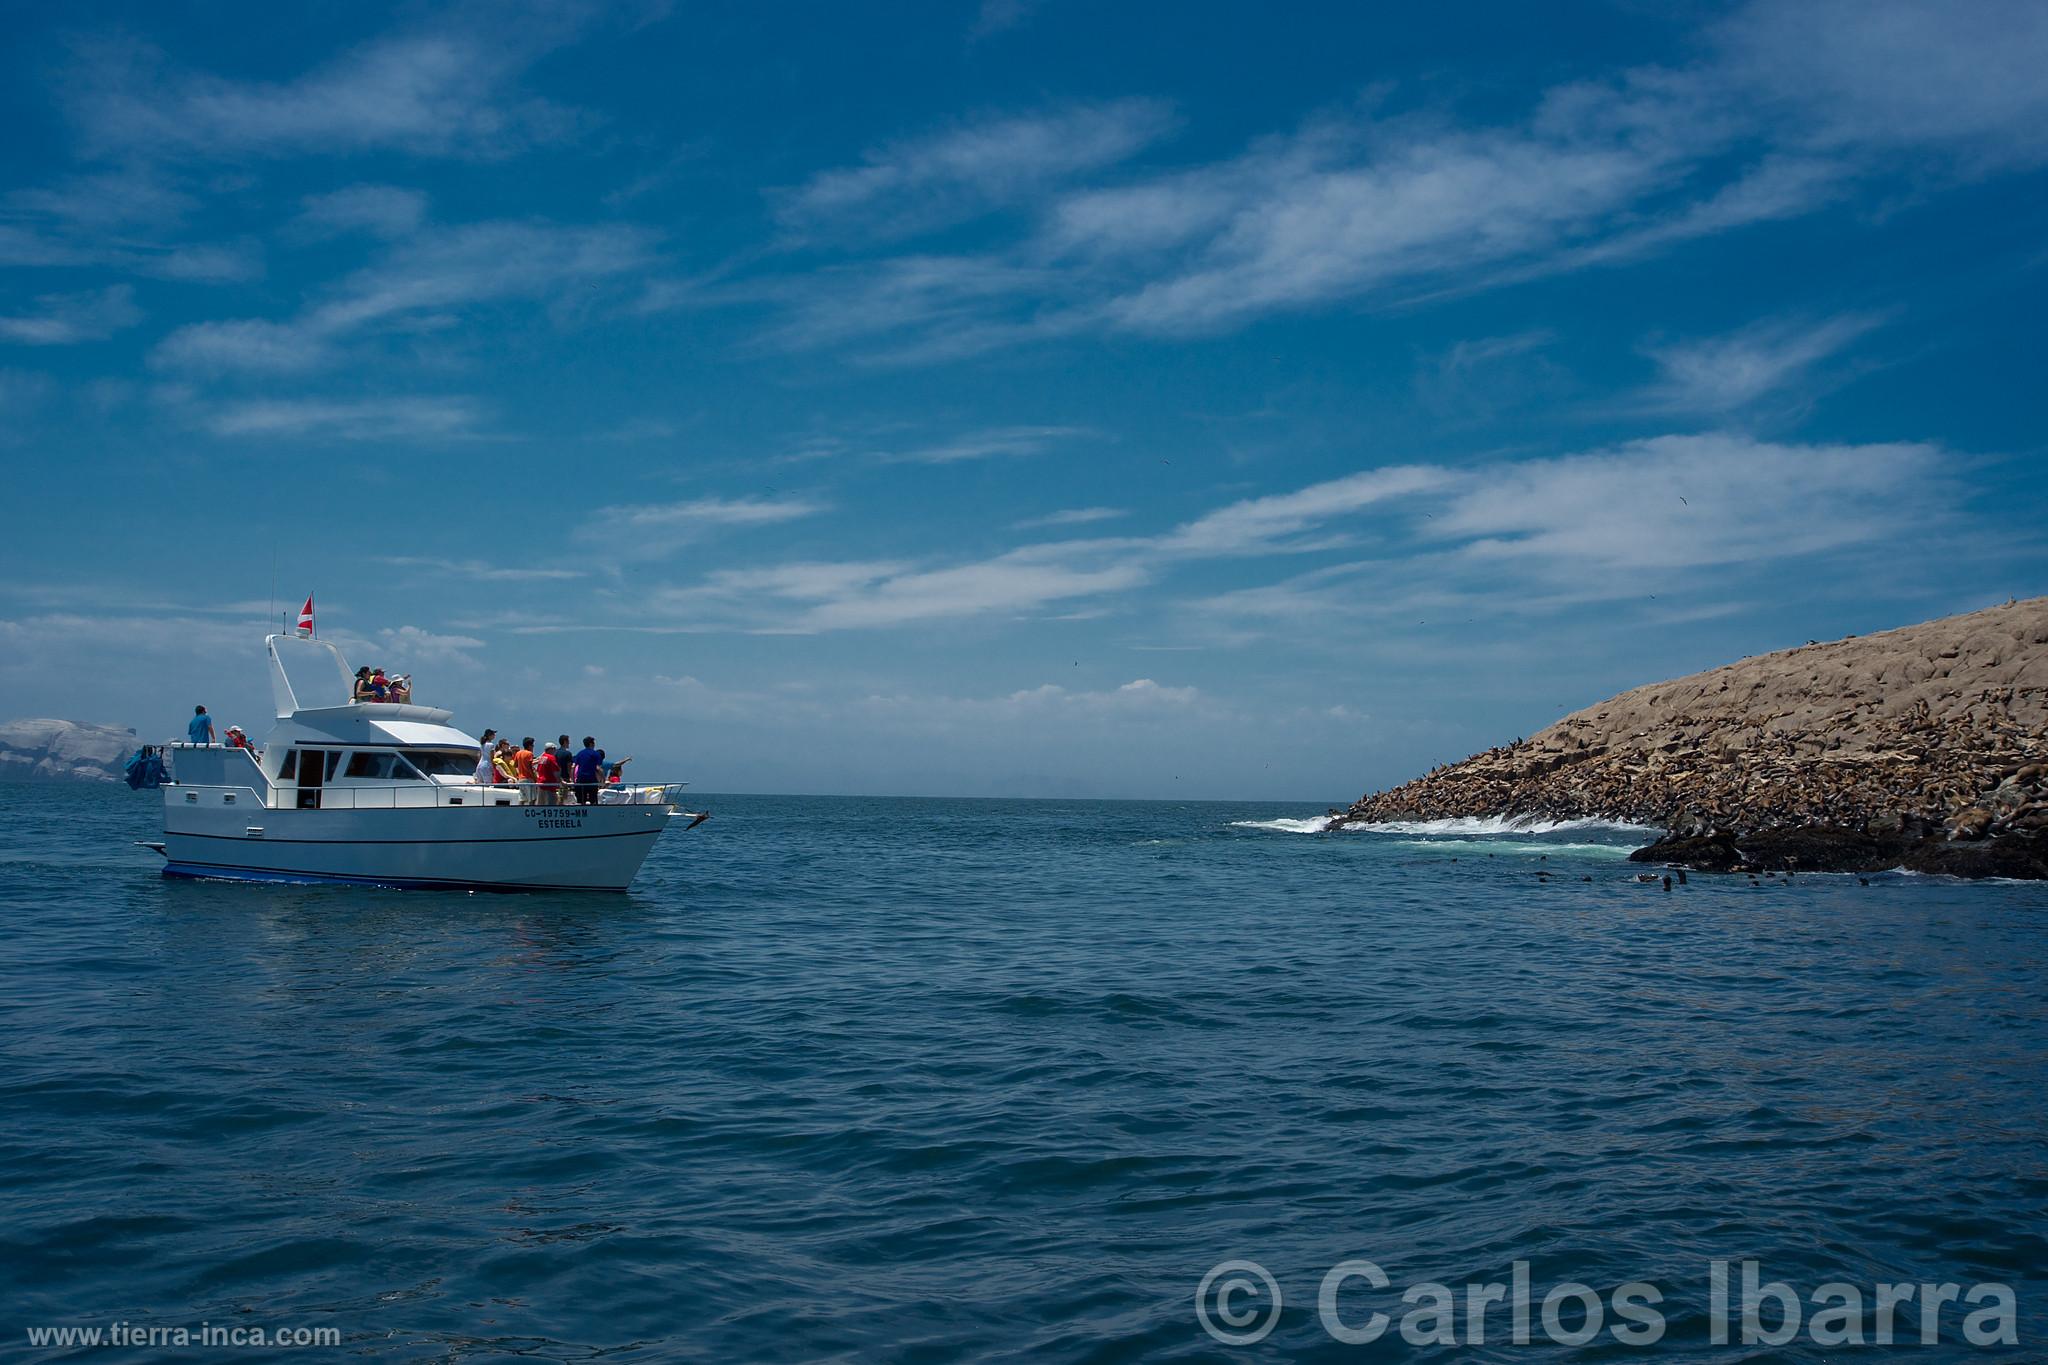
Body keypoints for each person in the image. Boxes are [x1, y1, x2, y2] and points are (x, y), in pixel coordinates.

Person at [571, 736, 605, 806]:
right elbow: (598, 768)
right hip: (591, 780)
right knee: (593, 801)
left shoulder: (579, 754)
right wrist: (603, 780)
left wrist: (573, 780)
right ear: (591, 744)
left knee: (580, 801)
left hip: (580, 780)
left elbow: (573, 767)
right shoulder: (595, 754)